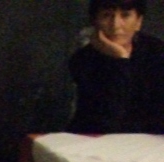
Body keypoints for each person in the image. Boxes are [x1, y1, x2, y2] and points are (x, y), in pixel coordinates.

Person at [68, 0, 164, 134]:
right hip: (97, 138)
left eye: (125, 15)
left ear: (138, 22)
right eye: (106, 15)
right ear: (95, 21)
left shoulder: (157, 52)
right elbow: (107, 119)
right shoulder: (84, 59)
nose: (115, 25)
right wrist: (120, 60)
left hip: (149, 140)